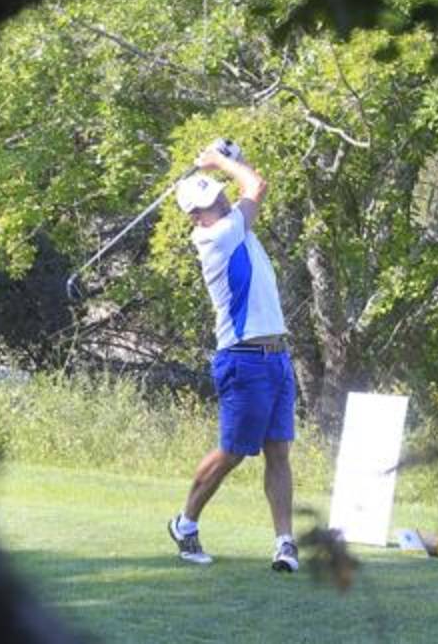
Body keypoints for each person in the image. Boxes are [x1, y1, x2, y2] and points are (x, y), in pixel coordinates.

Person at [166, 140, 299, 573]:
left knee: (278, 452)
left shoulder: (239, 230)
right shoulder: (215, 238)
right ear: (196, 216)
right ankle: (185, 524)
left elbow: (249, 187)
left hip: (277, 357)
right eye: (210, 202)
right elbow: (256, 185)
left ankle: (285, 544)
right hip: (243, 360)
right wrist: (222, 161)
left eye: (220, 196)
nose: (221, 203)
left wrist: (229, 160)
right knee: (233, 452)